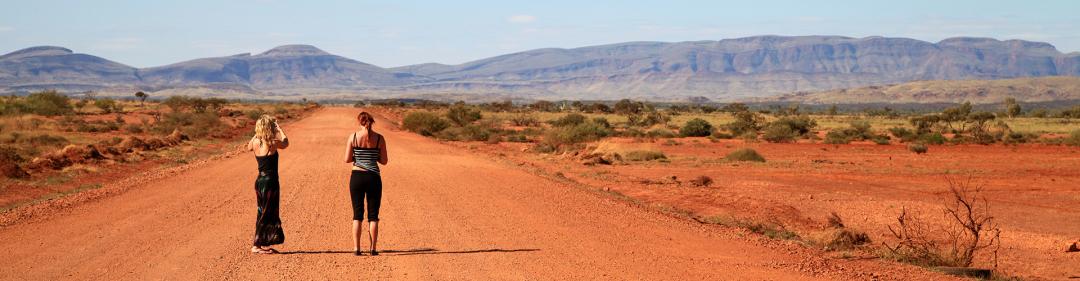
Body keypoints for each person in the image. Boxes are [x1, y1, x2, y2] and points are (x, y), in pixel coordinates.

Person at [345, 112, 388, 256]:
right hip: (373, 178)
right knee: (373, 215)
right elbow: (384, 161)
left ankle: (356, 249)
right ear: (372, 121)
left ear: (360, 122)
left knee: (357, 215)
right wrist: (373, 155)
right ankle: (373, 249)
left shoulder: (354, 137)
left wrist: (358, 156)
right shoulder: (380, 138)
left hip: (357, 176)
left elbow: (347, 159)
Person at [247, 115, 289, 254]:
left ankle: (261, 242)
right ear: (269, 127)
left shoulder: (255, 142)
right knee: (267, 212)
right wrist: (279, 128)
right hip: (270, 182)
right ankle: (256, 245)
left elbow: (248, 147)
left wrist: (257, 133)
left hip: (259, 182)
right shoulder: (272, 142)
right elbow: (286, 142)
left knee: (262, 211)